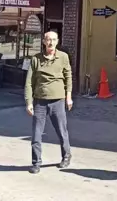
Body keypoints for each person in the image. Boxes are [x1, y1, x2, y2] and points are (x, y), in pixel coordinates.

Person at [25, 31, 73, 174]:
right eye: (48, 40)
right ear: (44, 42)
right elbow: (29, 82)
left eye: (53, 40)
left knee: (61, 131)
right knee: (37, 133)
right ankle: (36, 162)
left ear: (57, 41)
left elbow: (68, 77)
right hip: (40, 101)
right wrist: (29, 102)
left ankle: (66, 155)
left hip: (58, 100)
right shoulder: (36, 59)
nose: (50, 42)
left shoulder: (63, 57)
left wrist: (68, 97)